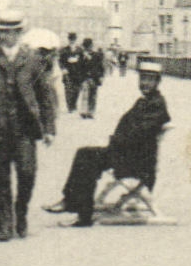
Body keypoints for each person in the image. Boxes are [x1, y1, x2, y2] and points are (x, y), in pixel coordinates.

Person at [45, 59, 170, 226]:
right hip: (128, 156)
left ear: (157, 82)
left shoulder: (156, 105)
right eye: (142, 79)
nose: (145, 83)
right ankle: (71, 201)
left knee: (88, 159)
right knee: (84, 152)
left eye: (150, 79)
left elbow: (137, 135)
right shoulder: (147, 101)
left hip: (137, 163)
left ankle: (83, 215)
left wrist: (114, 143)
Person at [0, 10, 56, 241]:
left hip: (25, 127)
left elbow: (45, 96)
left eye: (14, 32)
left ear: (20, 33)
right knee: (0, 177)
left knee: (27, 173)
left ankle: (21, 213)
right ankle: (4, 224)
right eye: (5, 32)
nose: (9, 36)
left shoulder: (33, 59)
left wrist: (49, 129)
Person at [78, 37, 105, 119]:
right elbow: (79, 66)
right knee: (85, 94)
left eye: (89, 46)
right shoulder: (81, 55)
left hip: (94, 77)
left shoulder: (97, 55)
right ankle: (84, 111)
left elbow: (101, 67)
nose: (88, 48)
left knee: (93, 95)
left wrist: (101, 76)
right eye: (86, 47)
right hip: (85, 77)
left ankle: (91, 112)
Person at [59, 34, 84, 114]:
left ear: (76, 40)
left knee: (77, 89)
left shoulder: (80, 50)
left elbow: (83, 61)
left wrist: (77, 61)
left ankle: (74, 104)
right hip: (68, 72)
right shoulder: (64, 50)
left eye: (73, 39)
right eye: (70, 39)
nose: (72, 41)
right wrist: (63, 68)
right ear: (68, 40)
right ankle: (69, 106)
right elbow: (60, 61)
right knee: (68, 89)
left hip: (77, 73)